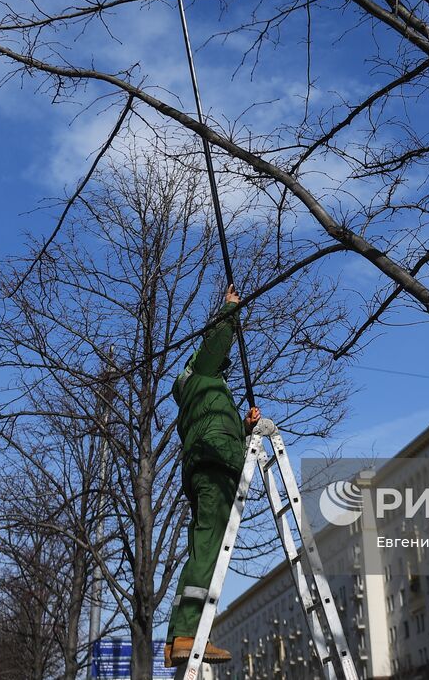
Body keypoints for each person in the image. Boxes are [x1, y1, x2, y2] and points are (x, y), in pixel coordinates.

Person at [165, 284, 261, 667]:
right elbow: (216, 344)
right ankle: (189, 634)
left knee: (202, 545)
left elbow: (221, 426)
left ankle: (180, 638)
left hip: (209, 462)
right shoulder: (198, 373)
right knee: (209, 547)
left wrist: (245, 426)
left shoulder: (206, 396)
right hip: (215, 464)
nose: (224, 367)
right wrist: (229, 310)